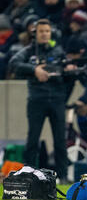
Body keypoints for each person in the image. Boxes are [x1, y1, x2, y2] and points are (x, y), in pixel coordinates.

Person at [9, 19, 70, 182]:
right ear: (35, 34)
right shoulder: (28, 51)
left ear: (51, 33)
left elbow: (68, 72)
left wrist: (68, 70)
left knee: (60, 140)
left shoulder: (58, 51)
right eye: (42, 31)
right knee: (33, 138)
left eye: (47, 31)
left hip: (57, 99)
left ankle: (62, 176)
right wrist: (34, 69)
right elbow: (13, 62)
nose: (45, 34)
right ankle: (28, 174)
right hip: (37, 98)